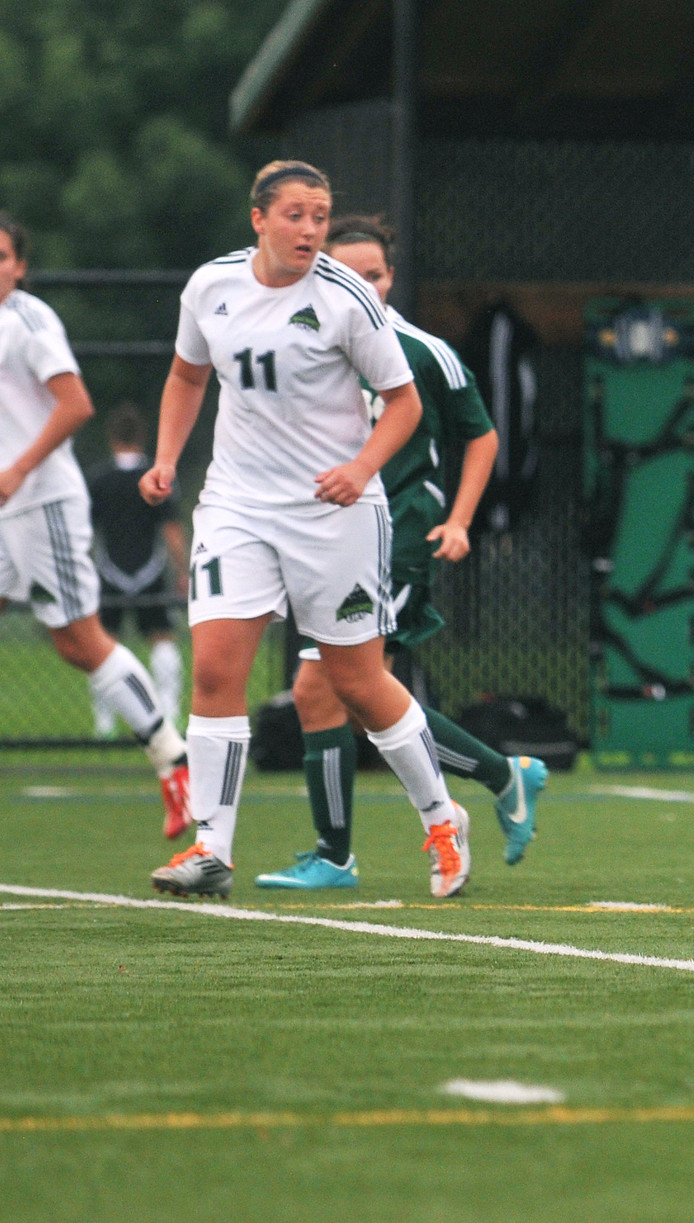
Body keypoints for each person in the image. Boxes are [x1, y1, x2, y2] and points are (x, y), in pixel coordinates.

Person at [145, 161, 470, 900]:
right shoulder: (211, 286)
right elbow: (188, 375)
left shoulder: (345, 295)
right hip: (236, 506)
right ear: (258, 218)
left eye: (320, 216)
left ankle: (441, 819)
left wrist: (360, 468)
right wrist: (167, 457)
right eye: (295, 214)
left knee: (357, 680)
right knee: (216, 671)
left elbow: (404, 403)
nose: (310, 230)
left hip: (334, 512)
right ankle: (210, 848)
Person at [252, 214, 546, 892]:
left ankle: (339, 852)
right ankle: (503, 777)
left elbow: (482, 436)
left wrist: (462, 519)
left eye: (376, 274)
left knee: (335, 686)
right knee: (329, 692)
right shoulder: (303, 344)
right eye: (345, 273)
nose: (363, 286)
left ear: (392, 278)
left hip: (399, 534)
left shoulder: (421, 350)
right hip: (327, 538)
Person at [0, 214, 192, 839]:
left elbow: (76, 403)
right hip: (9, 508)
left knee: (80, 641)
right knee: (68, 641)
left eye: (2, 256)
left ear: (20, 266)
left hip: (40, 504)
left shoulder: (28, 321)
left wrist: (18, 470)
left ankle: (175, 762)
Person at [86, 405, 187, 738]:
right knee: (162, 639)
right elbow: (171, 530)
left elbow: (85, 532)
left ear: (112, 438)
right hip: (151, 571)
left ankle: (105, 723)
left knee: (103, 646)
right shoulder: (157, 476)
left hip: (108, 571)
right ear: (142, 437)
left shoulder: (99, 480)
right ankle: (169, 713)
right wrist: (182, 571)